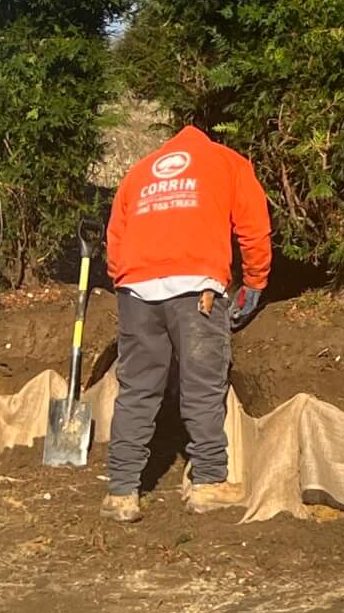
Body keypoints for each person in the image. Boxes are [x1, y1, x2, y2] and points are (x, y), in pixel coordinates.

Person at [101, 124, 272, 523]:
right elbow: (254, 229)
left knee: (137, 389)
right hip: (198, 289)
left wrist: (126, 282)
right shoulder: (228, 163)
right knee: (202, 385)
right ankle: (209, 482)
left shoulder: (140, 171)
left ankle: (121, 491)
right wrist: (255, 282)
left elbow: (116, 238)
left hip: (136, 290)